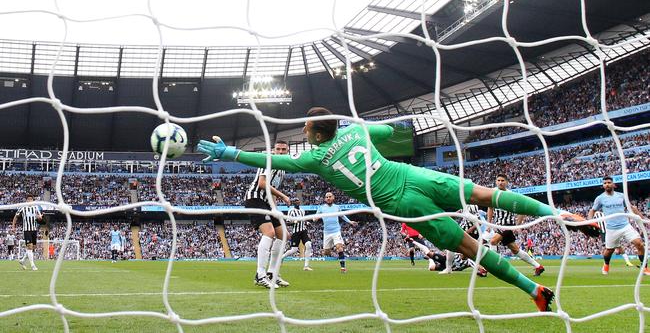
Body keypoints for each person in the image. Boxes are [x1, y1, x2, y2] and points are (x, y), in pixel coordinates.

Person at [198, 106, 600, 311]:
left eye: (305, 129)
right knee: (485, 195)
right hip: (414, 175)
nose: (302, 132)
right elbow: (391, 131)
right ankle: (562, 215)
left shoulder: (313, 159)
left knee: (468, 246)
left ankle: (534, 290)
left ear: (316, 134)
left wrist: (229, 152)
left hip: (402, 202)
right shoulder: (353, 129)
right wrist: (359, 125)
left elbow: (271, 161)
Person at [243, 140, 292, 288]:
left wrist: (276, 210)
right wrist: (284, 196)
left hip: (268, 203)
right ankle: (260, 274)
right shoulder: (267, 161)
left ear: (287, 151)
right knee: (269, 232)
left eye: (284, 149)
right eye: (278, 149)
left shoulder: (283, 169)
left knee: (284, 235)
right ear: (274, 150)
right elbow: (262, 184)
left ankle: (272, 273)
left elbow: (272, 192)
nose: (281, 152)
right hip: (255, 199)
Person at [588, 176, 649, 275]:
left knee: (640, 244)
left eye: (609, 182)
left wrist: (642, 218)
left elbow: (631, 207)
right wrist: (590, 221)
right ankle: (606, 264)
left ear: (613, 184)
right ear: (603, 186)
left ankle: (644, 267)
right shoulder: (600, 198)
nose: (607, 184)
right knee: (609, 251)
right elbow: (592, 210)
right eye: (605, 183)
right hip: (611, 229)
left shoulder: (621, 196)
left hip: (625, 226)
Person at [487, 174, 545, 277]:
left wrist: (517, 225)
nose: (500, 182)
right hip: (498, 225)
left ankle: (493, 267)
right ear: (496, 182)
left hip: (508, 224)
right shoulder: (493, 193)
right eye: (498, 180)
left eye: (503, 180)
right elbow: (490, 208)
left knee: (493, 241)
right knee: (514, 249)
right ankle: (538, 266)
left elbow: (522, 210)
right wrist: (488, 223)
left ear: (507, 182)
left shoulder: (511, 195)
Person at [316, 192, 358, 272]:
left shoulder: (337, 207)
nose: (328, 198)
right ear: (325, 199)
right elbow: (316, 216)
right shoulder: (321, 208)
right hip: (327, 233)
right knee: (326, 252)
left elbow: (342, 215)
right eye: (327, 197)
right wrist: (315, 218)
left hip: (336, 231)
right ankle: (332, 252)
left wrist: (350, 222)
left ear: (333, 198)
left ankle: (343, 268)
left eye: (329, 196)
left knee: (339, 247)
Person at [12, 194, 42, 271]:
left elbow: (39, 217)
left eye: (31, 199)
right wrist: (13, 226)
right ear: (26, 200)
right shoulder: (22, 208)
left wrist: (39, 217)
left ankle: (22, 260)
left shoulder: (35, 207)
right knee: (29, 247)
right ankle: (33, 265)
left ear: (33, 200)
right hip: (27, 230)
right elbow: (16, 216)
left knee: (33, 248)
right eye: (28, 199)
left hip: (34, 230)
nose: (29, 200)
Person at [282, 198, 313, 271]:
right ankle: (282, 257)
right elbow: (288, 222)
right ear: (293, 203)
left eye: (298, 200)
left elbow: (303, 220)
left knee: (308, 245)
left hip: (303, 231)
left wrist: (307, 223)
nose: (298, 202)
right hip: (296, 232)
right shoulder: (291, 211)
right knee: (294, 250)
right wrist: (295, 222)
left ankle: (306, 266)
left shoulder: (302, 211)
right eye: (296, 201)